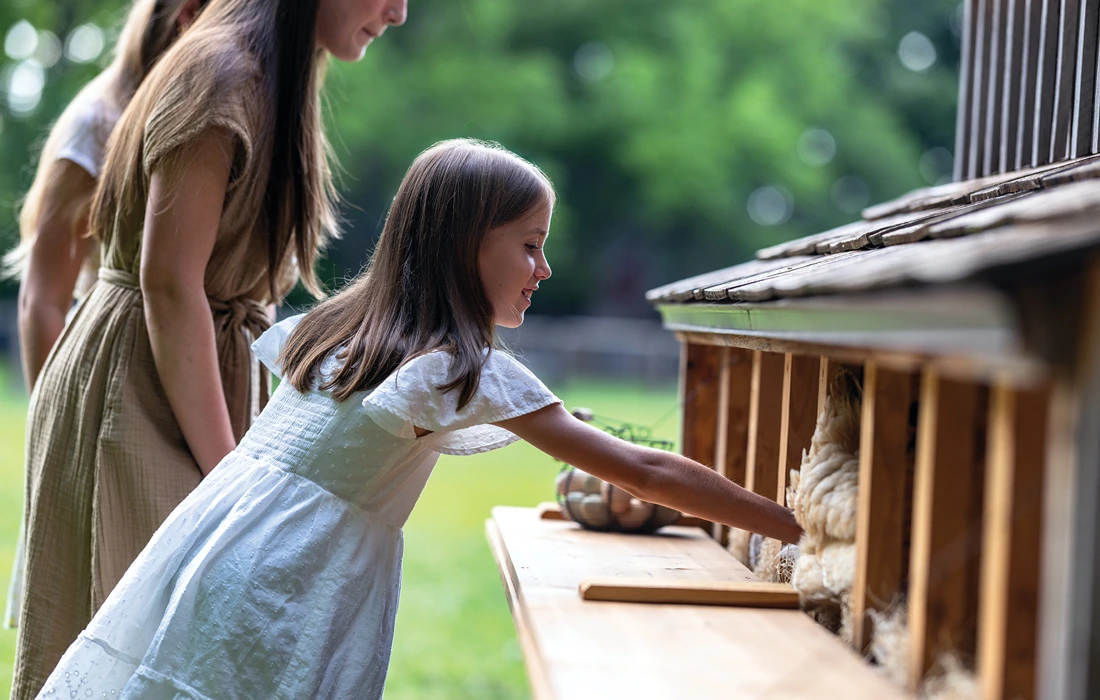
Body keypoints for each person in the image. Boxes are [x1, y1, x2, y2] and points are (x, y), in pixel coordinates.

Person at [36, 139, 803, 699]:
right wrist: (793, 524)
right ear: (470, 247)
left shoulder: (336, 325)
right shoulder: (454, 366)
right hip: (293, 587)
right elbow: (642, 470)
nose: (544, 270)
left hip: (216, 556)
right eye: (530, 246)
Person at [12, 0, 408, 697]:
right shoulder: (222, 73)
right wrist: (231, 479)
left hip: (200, 373)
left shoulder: (281, 80)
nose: (400, 13)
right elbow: (168, 283)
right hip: (140, 390)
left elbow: (243, 286)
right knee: (125, 651)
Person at [2, 0, 207, 636]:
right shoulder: (98, 118)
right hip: (111, 379)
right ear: (186, 17)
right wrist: (59, 442)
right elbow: (42, 300)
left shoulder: (186, 112)